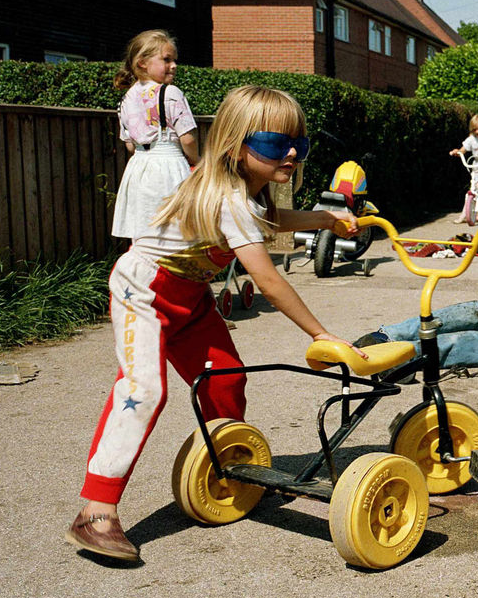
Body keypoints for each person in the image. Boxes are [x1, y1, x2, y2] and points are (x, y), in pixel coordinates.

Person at [67, 86, 358, 563]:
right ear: (234, 145)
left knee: (225, 377)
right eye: (272, 144)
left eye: (298, 145)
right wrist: (320, 333)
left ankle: (230, 467)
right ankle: (96, 510)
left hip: (189, 298)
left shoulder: (248, 194)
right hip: (144, 291)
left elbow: (273, 218)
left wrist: (326, 219)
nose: (289, 153)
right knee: (143, 390)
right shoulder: (228, 197)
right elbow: (266, 278)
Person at [110, 30, 200, 240]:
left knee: (144, 234)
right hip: (169, 167)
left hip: (139, 169)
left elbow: (130, 146)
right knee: (176, 234)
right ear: (142, 62)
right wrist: (197, 161)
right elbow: (187, 138)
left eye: (174, 60)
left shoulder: (125, 99)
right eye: (167, 60)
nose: (174, 65)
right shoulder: (170, 93)